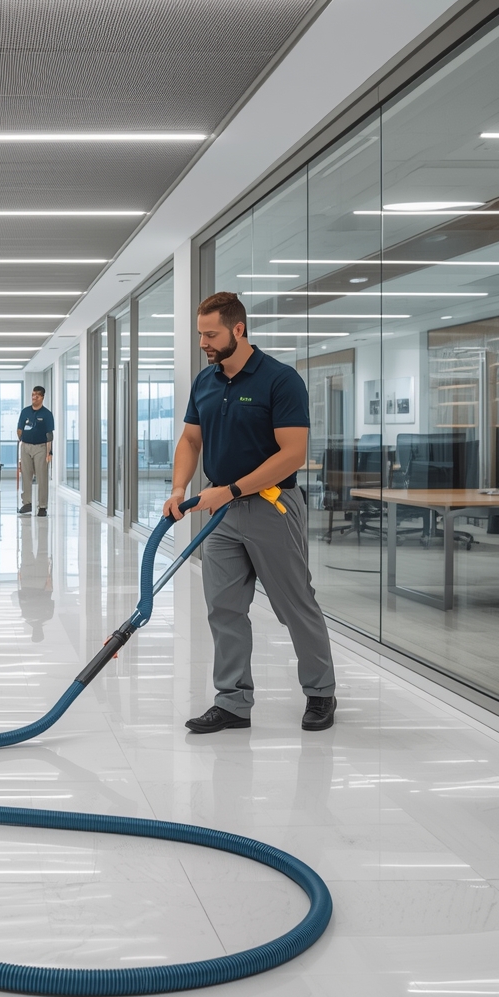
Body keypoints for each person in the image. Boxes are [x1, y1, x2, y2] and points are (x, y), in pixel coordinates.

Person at [163, 292, 337, 733]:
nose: (203, 341)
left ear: (238, 329)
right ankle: (233, 702)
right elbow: (189, 440)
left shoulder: (280, 380)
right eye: (200, 333)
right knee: (223, 608)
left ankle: (320, 693)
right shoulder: (205, 381)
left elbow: (293, 454)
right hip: (221, 514)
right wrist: (179, 486)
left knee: (294, 604)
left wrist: (232, 490)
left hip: (271, 507)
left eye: (211, 333)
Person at [17, 385, 55, 516]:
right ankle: (27, 503)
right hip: (26, 447)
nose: (34, 397)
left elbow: (50, 435)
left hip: (40, 448)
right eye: (33, 395)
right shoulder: (25, 411)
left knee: (42, 477)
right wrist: (22, 440)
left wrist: (49, 452)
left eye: (37, 395)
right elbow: (19, 428)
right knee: (26, 475)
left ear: (42, 397)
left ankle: (42, 506)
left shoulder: (47, 414)